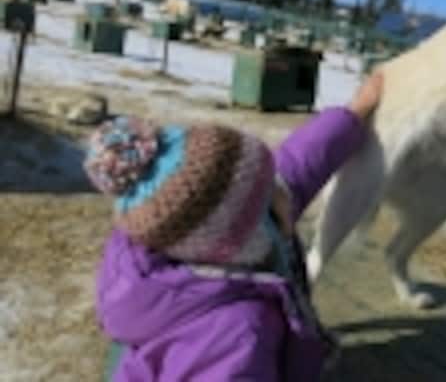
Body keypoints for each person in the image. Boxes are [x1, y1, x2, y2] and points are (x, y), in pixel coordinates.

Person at [89, 72, 383, 381]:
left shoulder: (174, 236)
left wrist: (352, 115)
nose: (282, 189)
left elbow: (299, 164)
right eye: (269, 189)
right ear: (241, 237)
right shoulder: (235, 335)